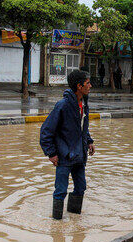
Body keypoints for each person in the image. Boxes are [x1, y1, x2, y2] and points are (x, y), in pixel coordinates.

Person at [40, 70, 96, 219]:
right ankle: (57, 225)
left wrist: (89, 141)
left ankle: (74, 218)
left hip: (79, 155)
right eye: (88, 83)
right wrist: (51, 153)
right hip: (64, 156)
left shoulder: (84, 103)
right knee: (60, 191)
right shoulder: (63, 105)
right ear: (79, 86)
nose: (90, 86)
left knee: (81, 187)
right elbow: (46, 130)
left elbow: (82, 126)